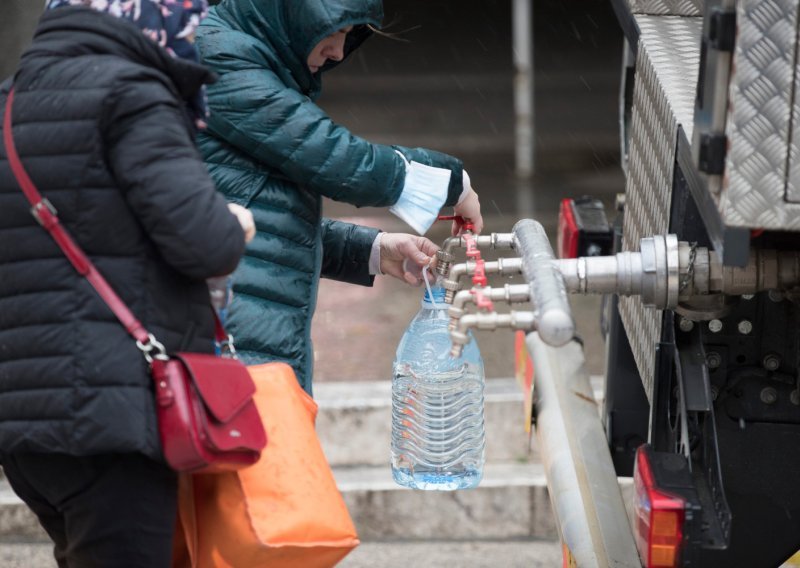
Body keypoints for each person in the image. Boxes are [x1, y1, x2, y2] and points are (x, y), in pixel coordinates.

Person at [0, 1, 253, 566]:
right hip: (114, 414)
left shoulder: (10, 98)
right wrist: (235, 223)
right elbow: (205, 242)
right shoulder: (132, 93)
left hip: (24, 420)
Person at [196, 0, 483, 394]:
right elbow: (335, 158)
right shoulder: (220, 57)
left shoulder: (248, 60)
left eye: (348, 36)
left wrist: (375, 250)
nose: (338, 52)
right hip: (227, 355)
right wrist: (452, 182)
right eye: (333, 31)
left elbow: (259, 219)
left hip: (243, 350)